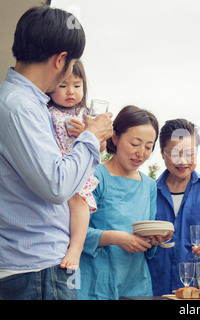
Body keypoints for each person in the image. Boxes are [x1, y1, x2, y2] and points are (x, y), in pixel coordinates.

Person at [0, 6, 112, 300]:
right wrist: (91, 138)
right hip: (35, 269)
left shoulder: (28, 104)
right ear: (60, 59)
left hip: (34, 267)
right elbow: (57, 185)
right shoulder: (21, 107)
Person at [78, 105, 168, 300]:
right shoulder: (95, 176)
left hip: (136, 283)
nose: (141, 153)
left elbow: (145, 235)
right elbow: (75, 233)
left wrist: (155, 239)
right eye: (135, 143)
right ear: (116, 137)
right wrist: (115, 238)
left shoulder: (150, 186)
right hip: (97, 282)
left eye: (148, 146)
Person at [148, 119, 200, 295]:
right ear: (162, 153)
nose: (183, 161)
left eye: (190, 154)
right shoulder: (150, 191)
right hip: (157, 288)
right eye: (175, 154)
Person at [47, 60, 105, 270]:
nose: (70, 91)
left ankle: (76, 248)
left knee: (79, 203)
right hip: (56, 169)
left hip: (78, 171)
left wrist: (87, 135)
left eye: (77, 86)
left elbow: (102, 147)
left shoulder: (85, 114)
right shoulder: (46, 111)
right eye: (63, 85)